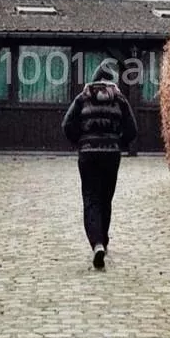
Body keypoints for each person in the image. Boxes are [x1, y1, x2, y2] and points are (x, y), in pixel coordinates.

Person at [61, 61, 138, 269]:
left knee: (91, 198)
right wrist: (118, 142)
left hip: (88, 155)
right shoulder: (120, 100)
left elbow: (67, 124)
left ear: (94, 79)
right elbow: (132, 129)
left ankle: (97, 244)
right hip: (111, 154)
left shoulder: (82, 98)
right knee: (106, 198)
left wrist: (80, 141)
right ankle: (103, 238)